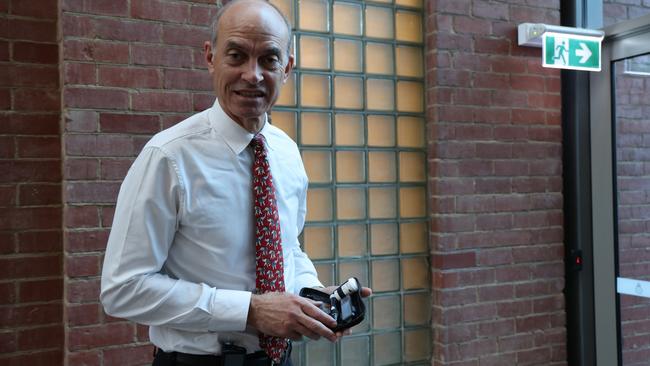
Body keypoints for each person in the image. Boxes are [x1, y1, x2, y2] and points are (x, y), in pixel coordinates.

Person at [100, 0, 371, 365]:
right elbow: (123, 289)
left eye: (269, 60)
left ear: (287, 68)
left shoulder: (287, 153)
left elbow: (287, 249)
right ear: (210, 57)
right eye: (237, 56)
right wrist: (250, 310)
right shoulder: (168, 157)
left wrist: (313, 294)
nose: (253, 75)